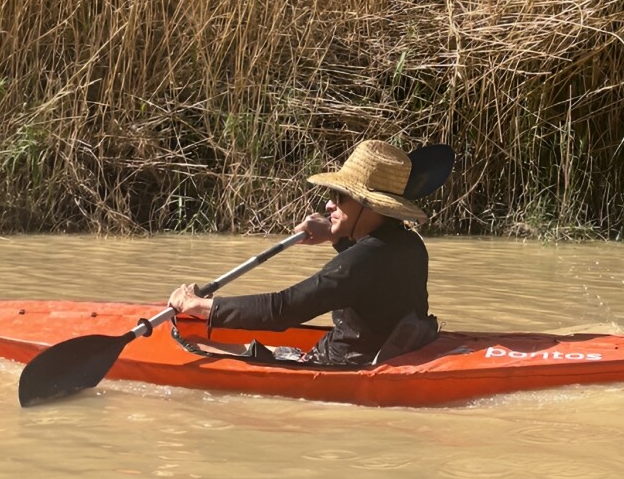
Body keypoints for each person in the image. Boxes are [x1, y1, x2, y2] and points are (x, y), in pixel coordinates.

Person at [168, 139, 435, 365]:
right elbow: (368, 276)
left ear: (372, 206)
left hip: (338, 363)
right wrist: (334, 234)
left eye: (340, 196)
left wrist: (201, 306)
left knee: (197, 344)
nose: (329, 205)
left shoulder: (360, 263)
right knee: (237, 346)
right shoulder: (410, 244)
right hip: (372, 352)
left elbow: (283, 309)